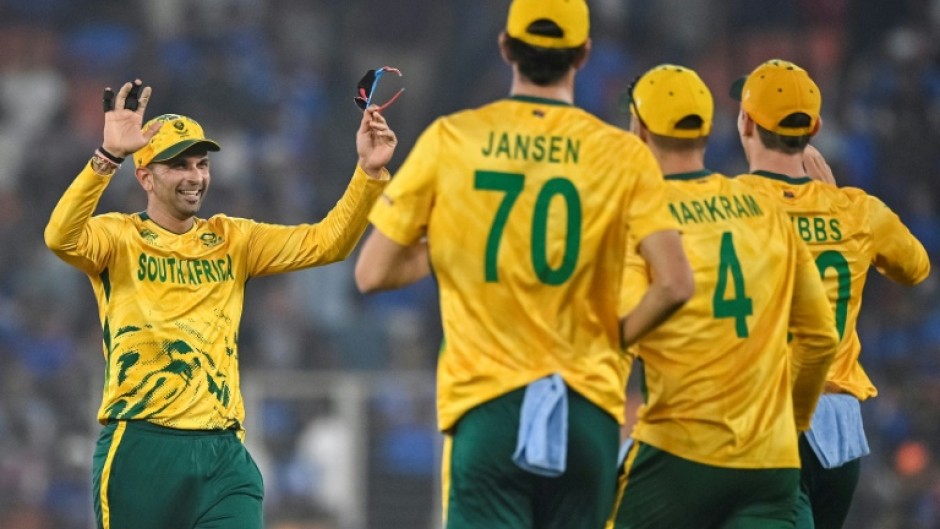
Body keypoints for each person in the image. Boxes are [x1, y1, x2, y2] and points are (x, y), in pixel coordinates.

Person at [354, 1, 694, 527]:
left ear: (505, 48)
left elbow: (371, 272)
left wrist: (453, 241)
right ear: (582, 54)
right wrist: (617, 338)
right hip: (587, 406)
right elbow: (674, 284)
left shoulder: (453, 138)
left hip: (488, 406)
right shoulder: (623, 155)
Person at [43, 79, 397, 529]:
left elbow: (328, 243)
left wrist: (368, 174)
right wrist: (107, 157)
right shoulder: (118, 237)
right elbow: (60, 237)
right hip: (141, 447)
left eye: (201, 163)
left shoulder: (233, 239)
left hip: (223, 455)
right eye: (178, 165)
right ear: (145, 176)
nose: (195, 176)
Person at [608, 64, 838, 529]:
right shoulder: (764, 210)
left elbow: (620, 331)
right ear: (710, 130)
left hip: (678, 456)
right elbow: (820, 339)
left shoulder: (643, 215)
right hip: (770, 465)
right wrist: (788, 425)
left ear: (637, 130)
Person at [730, 59, 932, 529]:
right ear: (815, 127)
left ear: (745, 122)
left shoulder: (728, 202)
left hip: (766, 413)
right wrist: (834, 206)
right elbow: (916, 268)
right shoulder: (856, 210)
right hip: (840, 429)